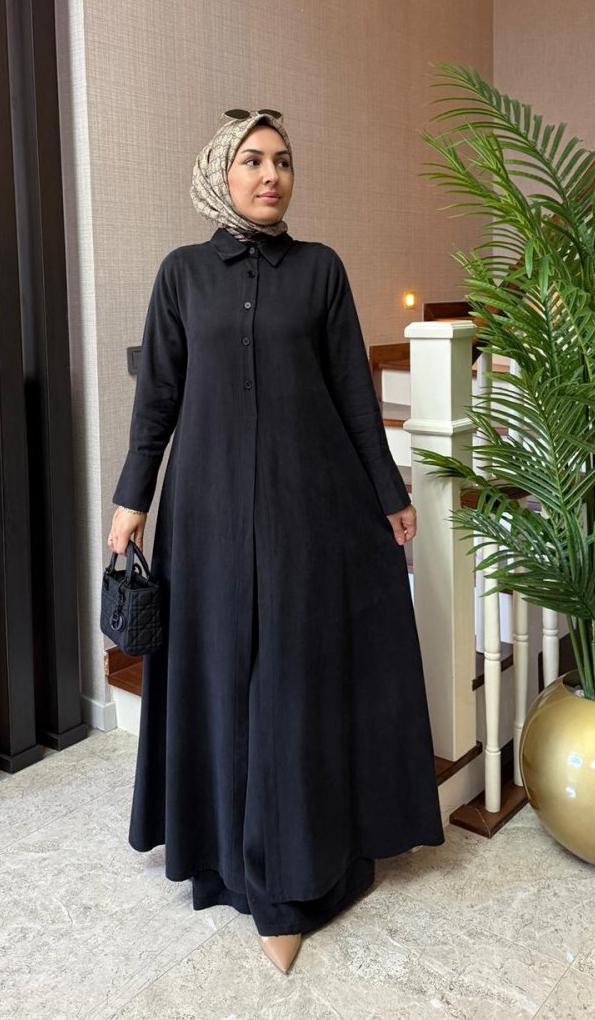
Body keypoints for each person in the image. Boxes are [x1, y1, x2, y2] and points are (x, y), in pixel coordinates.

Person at [108, 108, 444, 975]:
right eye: (254, 160)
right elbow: (158, 399)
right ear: (221, 172)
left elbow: (353, 394)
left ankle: (294, 880)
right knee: (225, 677)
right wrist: (131, 500)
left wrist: (389, 494)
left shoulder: (321, 269)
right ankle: (227, 858)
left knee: (293, 685)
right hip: (208, 518)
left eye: (284, 161)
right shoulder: (182, 275)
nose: (271, 175)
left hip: (311, 513)